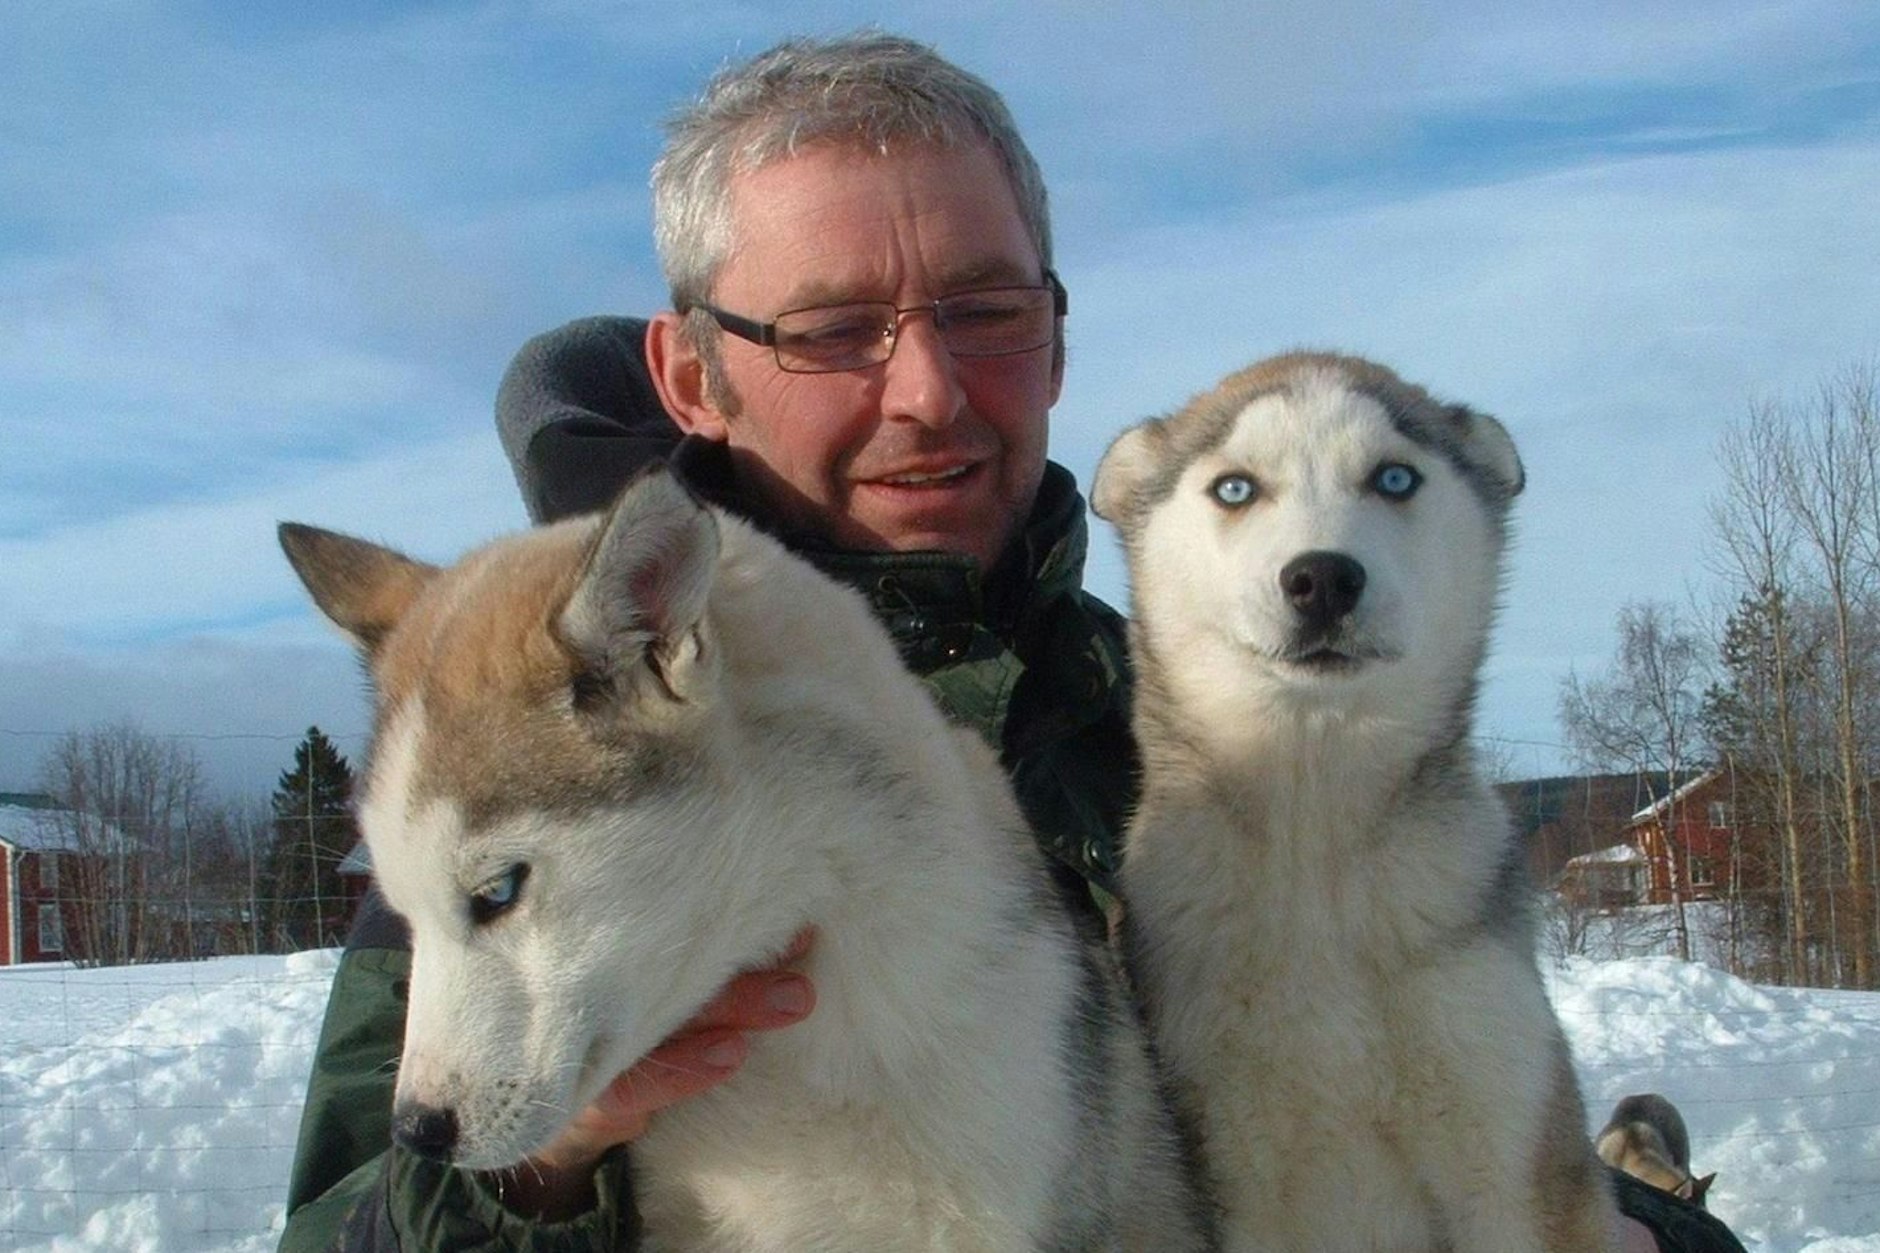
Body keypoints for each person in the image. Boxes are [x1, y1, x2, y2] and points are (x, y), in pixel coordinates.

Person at [279, 31, 1743, 1253]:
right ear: (693, 374)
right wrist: (549, 1173)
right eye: (833, 329)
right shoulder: (518, 776)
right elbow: (337, 1216)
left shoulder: (1200, 735)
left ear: (1054, 339)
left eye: (981, 312)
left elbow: (1425, 1153)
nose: (925, 390)